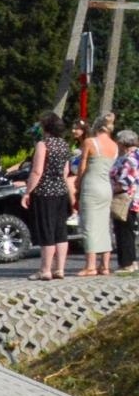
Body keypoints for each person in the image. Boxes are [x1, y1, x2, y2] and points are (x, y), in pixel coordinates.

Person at [21, 112, 71, 281]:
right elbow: (65, 171)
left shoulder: (43, 145)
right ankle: (60, 269)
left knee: (46, 230)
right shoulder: (64, 145)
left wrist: (28, 192)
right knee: (60, 231)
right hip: (61, 191)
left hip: (44, 192)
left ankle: (45, 269)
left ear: (45, 128)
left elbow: (37, 171)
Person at [73, 113, 118, 276]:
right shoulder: (114, 146)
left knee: (89, 225)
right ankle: (105, 266)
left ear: (96, 127)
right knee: (104, 226)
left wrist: (77, 184)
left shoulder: (90, 142)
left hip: (91, 186)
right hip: (106, 187)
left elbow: (82, 166)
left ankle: (90, 266)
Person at [111, 128, 138, 274]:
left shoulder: (130, 158)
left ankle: (126, 263)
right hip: (132, 198)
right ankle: (131, 261)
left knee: (123, 230)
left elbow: (126, 180)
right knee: (128, 230)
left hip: (125, 198)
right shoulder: (134, 155)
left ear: (122, 142)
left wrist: (111, 191)